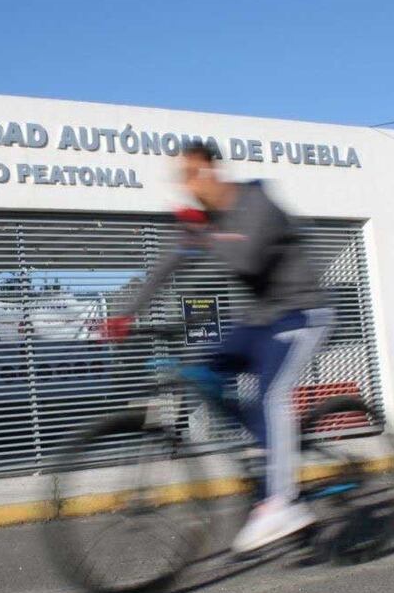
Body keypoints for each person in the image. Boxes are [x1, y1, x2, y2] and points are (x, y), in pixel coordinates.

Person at [103, 140, 333, 554]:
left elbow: (246, 259)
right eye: (181, 178)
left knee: (272, 395)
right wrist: (126, 313)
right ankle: (264, 440)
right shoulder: (208, 221)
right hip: (260, 319)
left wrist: (206, 231)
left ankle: (281, 504)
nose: (186, 185)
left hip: (302, 313)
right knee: (200, 371)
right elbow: (167, 266)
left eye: (191, 174)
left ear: (212, 171)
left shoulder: (257, 203)